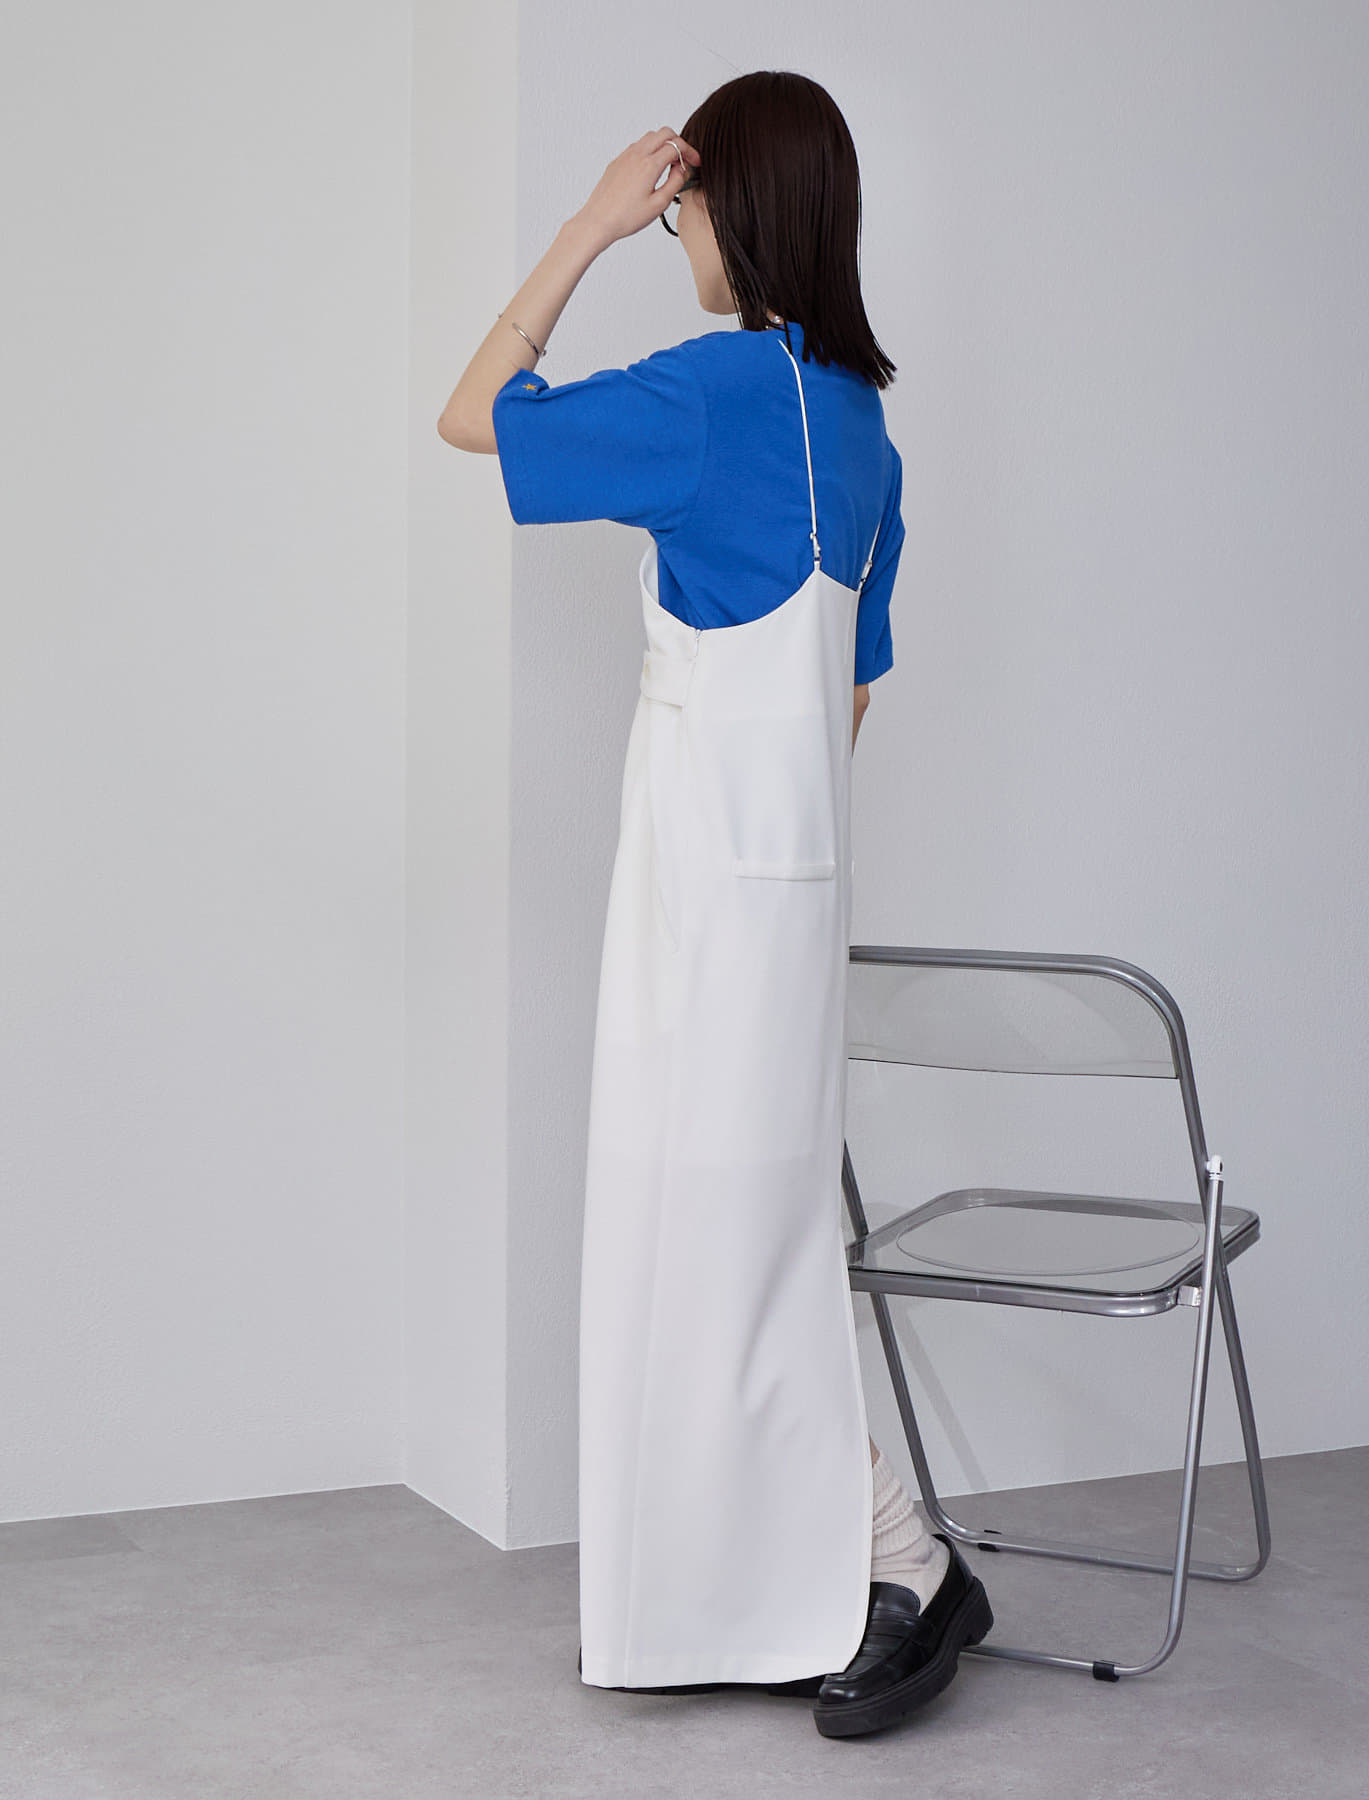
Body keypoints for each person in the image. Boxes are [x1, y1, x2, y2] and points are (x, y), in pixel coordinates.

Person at [438, 70, 991, 1739]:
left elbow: (474, 416)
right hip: (791, 894)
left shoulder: (707, 394)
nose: (671, 230)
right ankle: (807, 1570)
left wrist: (584, 227)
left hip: (694, 891)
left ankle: (905, 1560)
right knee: (746, 1237)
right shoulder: (866, 431)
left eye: (681, 208)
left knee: (705, 1239)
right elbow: (851, 693)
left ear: (729, 207)